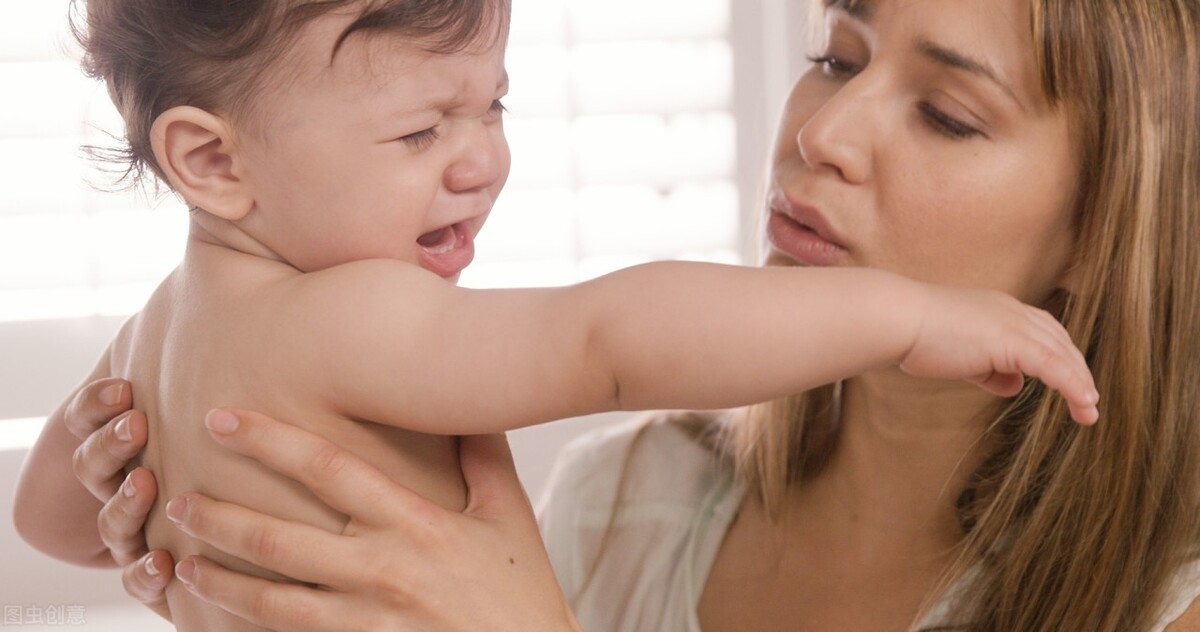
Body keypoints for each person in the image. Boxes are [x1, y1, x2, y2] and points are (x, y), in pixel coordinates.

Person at [11, 0, 1105, 631]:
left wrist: (150, 515)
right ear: (212, 159)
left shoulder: (151, 334)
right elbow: (609, 340)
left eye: (492, 104)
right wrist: (908, 319)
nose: (485, 158)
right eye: (419, 132)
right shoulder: (349, 318)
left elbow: (52, 520)